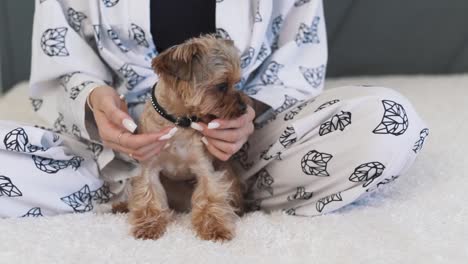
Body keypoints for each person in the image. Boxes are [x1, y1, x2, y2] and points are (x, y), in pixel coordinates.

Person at [0, 0, 429, 218]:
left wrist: (248, 113)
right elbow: (62, 61)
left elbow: (299, 56)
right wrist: (94, 102)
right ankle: (137, 191)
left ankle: (226, 189)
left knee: (389, 123)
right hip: (114, 154)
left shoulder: (246, 112)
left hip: (251, 147)